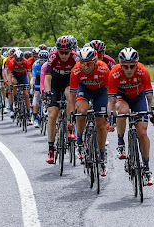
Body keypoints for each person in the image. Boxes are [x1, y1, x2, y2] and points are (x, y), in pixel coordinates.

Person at [107, 47, 154, 186]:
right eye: (125, 66)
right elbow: (111, 102)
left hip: (138, 98)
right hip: (121, 97)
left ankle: (147, 168)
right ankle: (120, 142)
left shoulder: (143, 71)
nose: (129, 69)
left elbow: (150, 98)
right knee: (123, 110)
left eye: (132, 66)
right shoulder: (115, 73)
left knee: (142, 132)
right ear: (120, 65)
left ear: (137, 64)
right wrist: (110, 120)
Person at [70, 45, 111, 176]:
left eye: (88, 64)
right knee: (81, 110)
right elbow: (71, 96)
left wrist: (111, 114)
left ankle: (102, 153)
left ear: (94, 61)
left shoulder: (103, 68)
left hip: (100, 91)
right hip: (85, 90)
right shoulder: (76, 70)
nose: (85, 67)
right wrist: (71, 112)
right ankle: (80, 141)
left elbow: (111, 93)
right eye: (82, 63)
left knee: (101, 123)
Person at [43, 35, 80, 164]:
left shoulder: (75, 57)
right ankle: (51, 149)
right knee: (52, 115)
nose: (64, 55)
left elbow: (79, 77)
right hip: (54, 84)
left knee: (70, 94)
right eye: (61, 52)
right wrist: (47, 93)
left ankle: (70, 127)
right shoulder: (53, 56)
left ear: (71, 51)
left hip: (68, 82)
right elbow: (47, 78)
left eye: (66, 53)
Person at [5, 48, 32, 123]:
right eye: (17, 60)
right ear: (14, 59)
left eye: (21, 60)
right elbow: (9, 76)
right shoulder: (11, 62)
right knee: (13, 83)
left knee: (26, 94)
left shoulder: (26, 62)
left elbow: (29, 75)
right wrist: (10, 86)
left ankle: (28, 111)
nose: (19, 62)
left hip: (23, 76)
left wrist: (30, 85)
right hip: (15, 76)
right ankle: (15, 99)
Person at [31, 49, 48, 128]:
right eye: (42, 60)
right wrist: (32, 88)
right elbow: (33, 78)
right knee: (36, 95)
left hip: (46, 79)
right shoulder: (36, 64)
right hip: (38, 79)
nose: (43, 61)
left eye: (45, 60)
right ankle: (35, 118)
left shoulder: (49, 65)